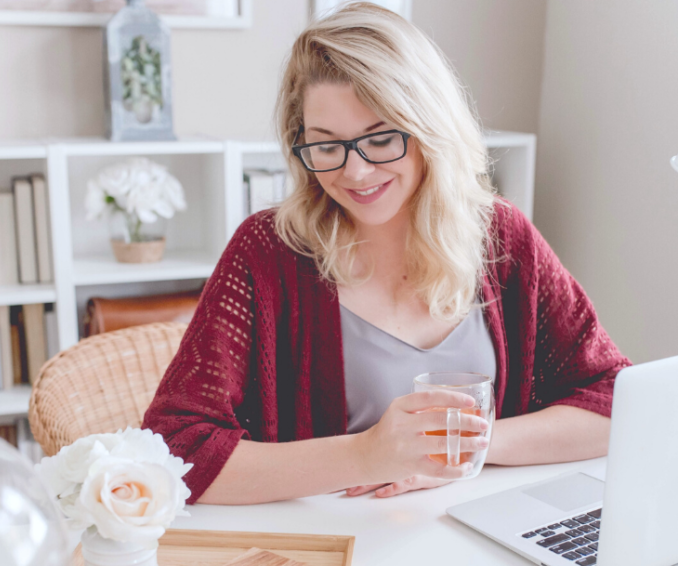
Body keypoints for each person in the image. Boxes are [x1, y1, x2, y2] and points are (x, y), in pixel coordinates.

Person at [143, 2, 630, 505]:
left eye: (380, 138)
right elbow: (173, 449)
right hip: (330, 553)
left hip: (477, 539)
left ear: (428, 128)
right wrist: (367, 454)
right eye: (326, 145)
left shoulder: (501, 238)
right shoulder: (267, 253)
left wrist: (464, 448)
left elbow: (616, 399)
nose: (355, 172)